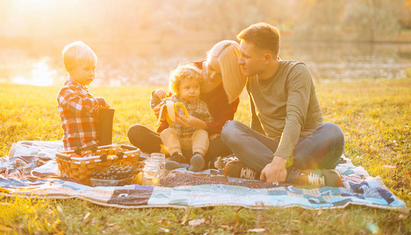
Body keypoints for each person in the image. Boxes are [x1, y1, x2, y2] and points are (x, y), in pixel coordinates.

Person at [221, 22, 345, 187]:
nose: (240, 62)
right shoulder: (251, 76)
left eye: (246, 56)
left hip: (308, 147)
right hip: (275, 148)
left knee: (333, 132)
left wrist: (277, 161)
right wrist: (251, 152)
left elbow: (294, 119)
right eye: (240, 55)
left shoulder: (297, 72)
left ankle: (265, 171)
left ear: (266, 58)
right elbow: (256, 121)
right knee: (230, 129)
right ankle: (295, 176)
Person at [127, 40, 247, 169]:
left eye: (220, 74)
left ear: (230, 74)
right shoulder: (189, 71)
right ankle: (188, 158)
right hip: (175, 138)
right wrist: (162, 114)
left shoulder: (230, 89)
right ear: (208, 60)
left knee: (230, 140)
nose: (212, 76)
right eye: (211, 68)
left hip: (204, 141)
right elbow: (171, 101)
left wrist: (202, 125)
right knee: (135, 131)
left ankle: (186, 158)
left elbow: (225, 124)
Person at [152, 64, 213, 171]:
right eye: (187, 88)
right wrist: (155, 95)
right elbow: (156, 106)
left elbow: (209, 121)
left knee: (202, 132)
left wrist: (213, 133)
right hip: (177, 138)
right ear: (178, 89)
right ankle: (177, 156)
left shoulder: (202, 105)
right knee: (166, 132)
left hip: (193, 140)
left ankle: (198, 156)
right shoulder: (171, 100)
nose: (192, 91)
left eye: (196, 87)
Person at [57, 41, 110, 150]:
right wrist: (99, 101)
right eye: (86, 69)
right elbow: (80, 107)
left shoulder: (85, 90)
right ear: (70, 69)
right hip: (77, 147)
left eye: (93, 69)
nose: (91, 73)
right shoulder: (66, 92)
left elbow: (90, 113)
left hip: (91, 145)